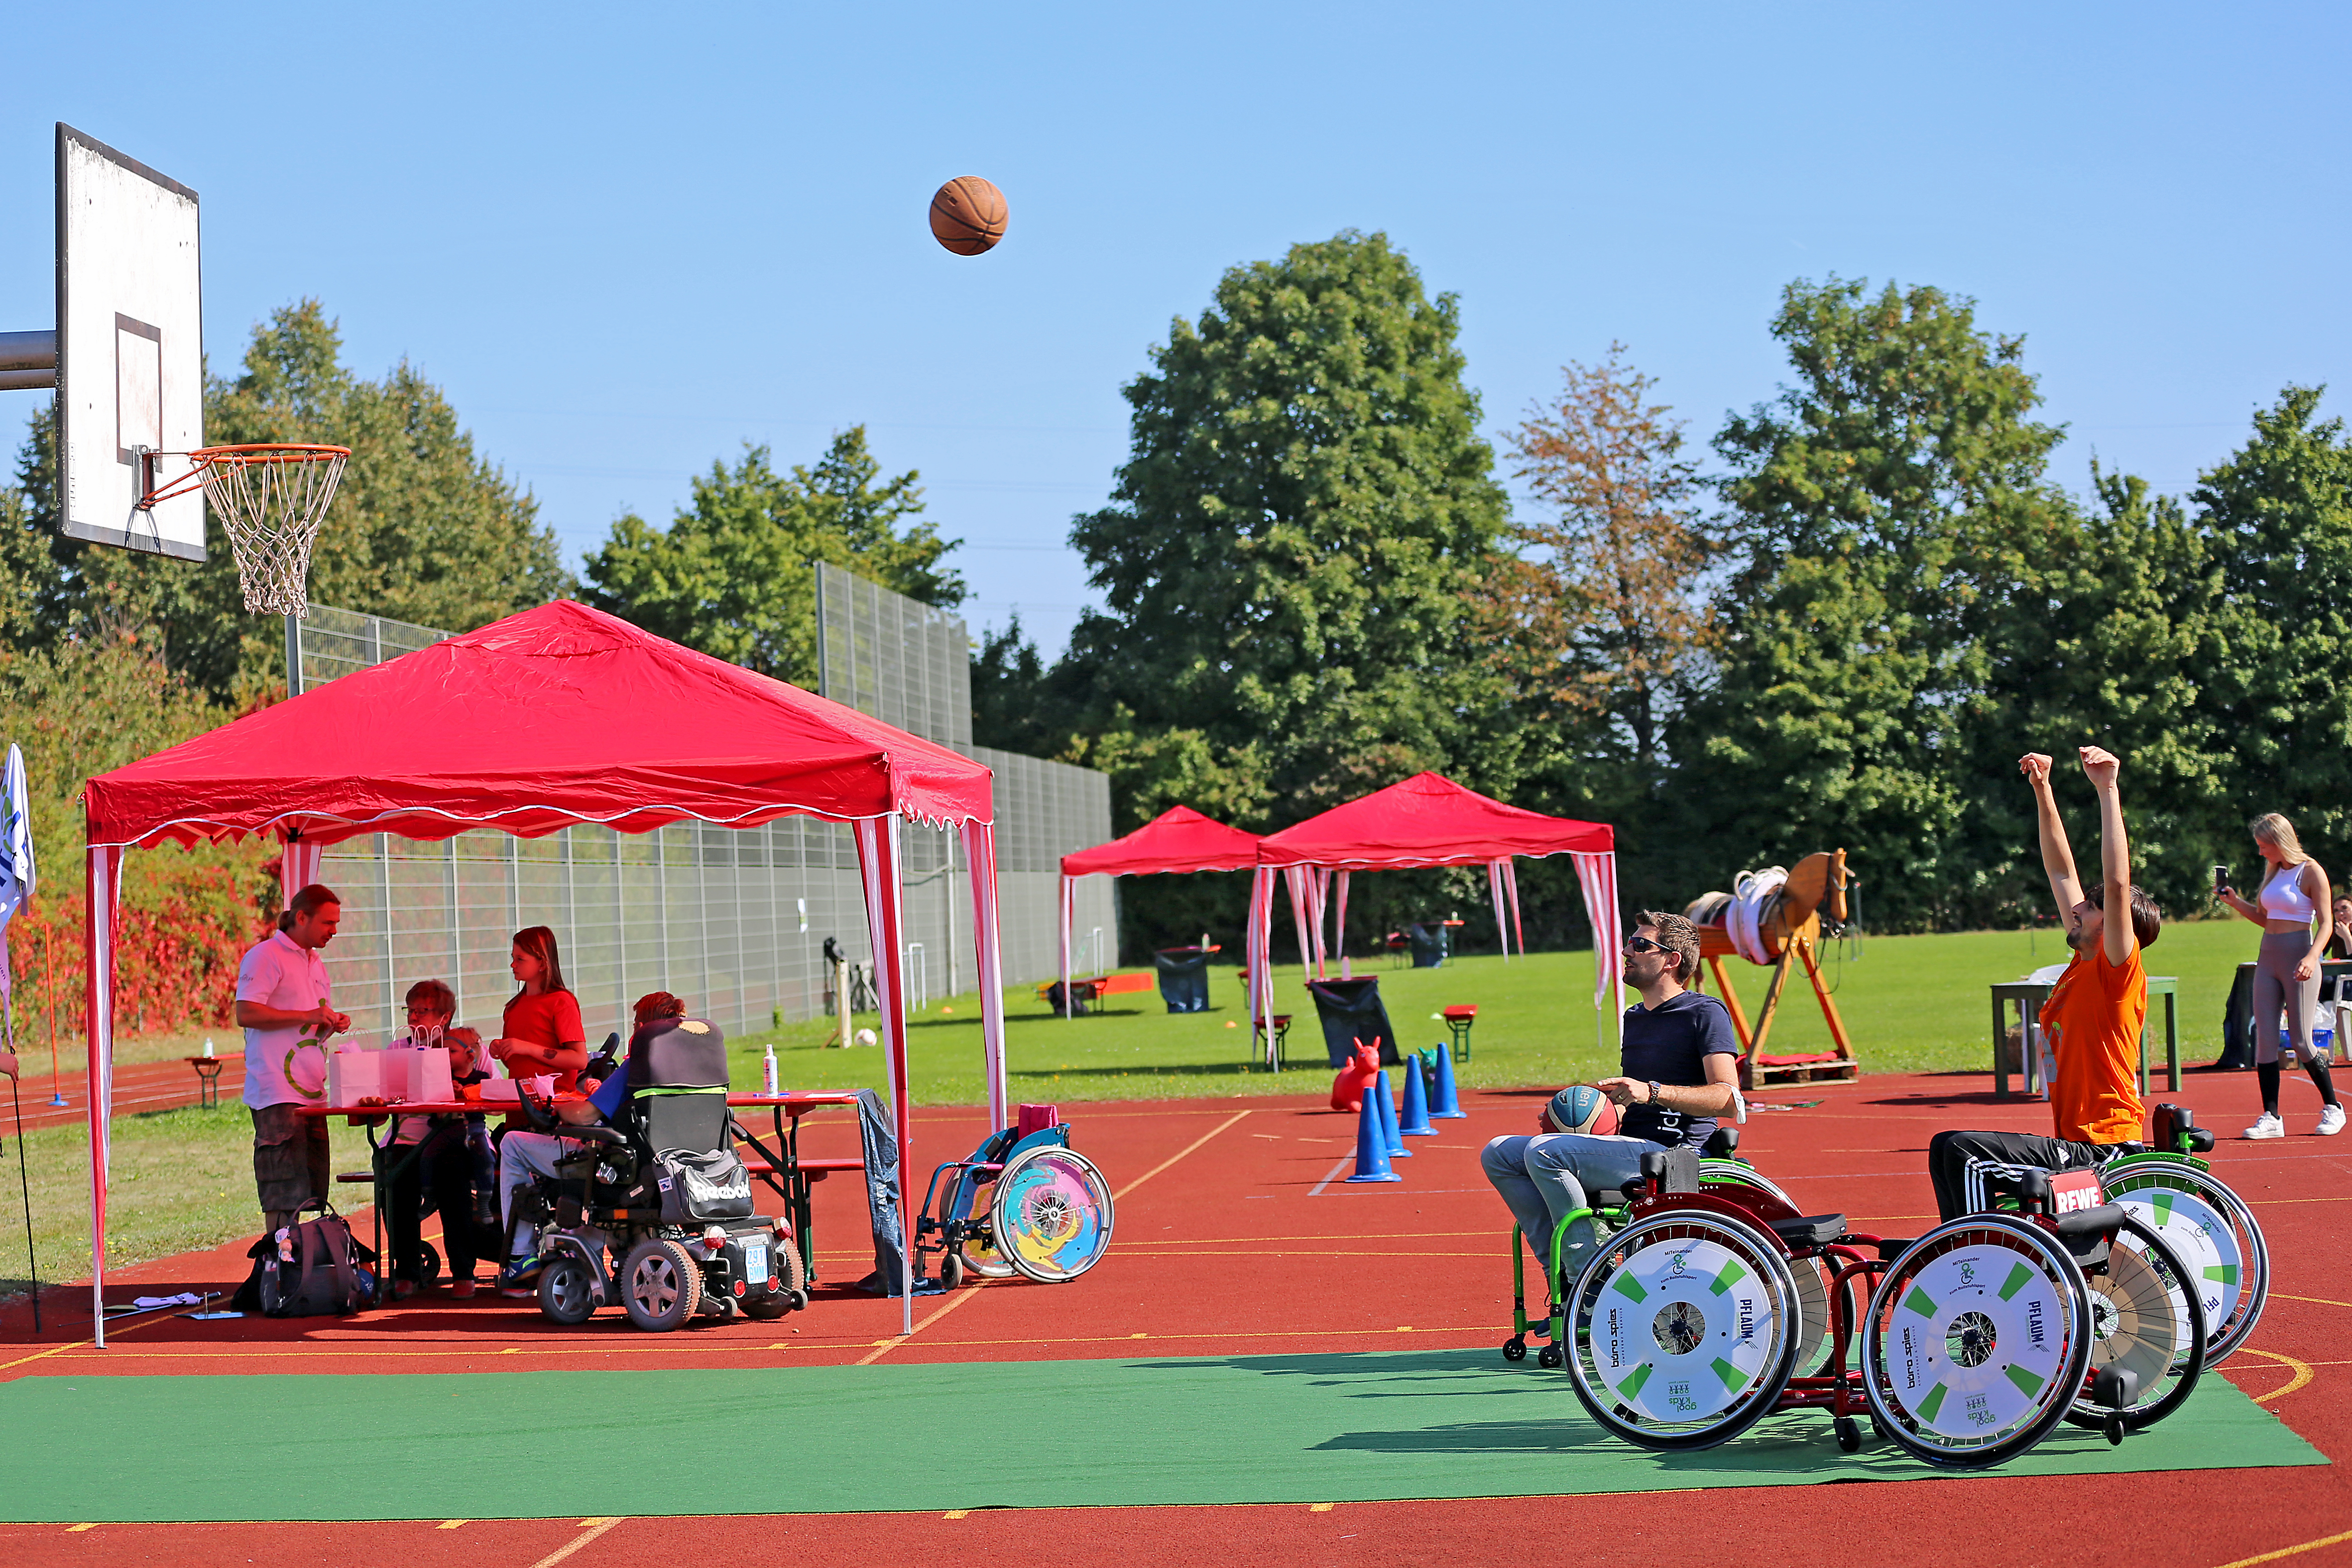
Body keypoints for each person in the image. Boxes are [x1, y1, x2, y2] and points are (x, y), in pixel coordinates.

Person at [1926, 748, 2158, 1221]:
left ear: (2112, 925)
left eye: (2088, 909)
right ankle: (1965, 1256)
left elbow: (2116, 885)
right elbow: (2060, 870)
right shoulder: (2081, 961)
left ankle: (1982, 1256)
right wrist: (2043, 789)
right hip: (2073, 1142)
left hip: (2105, 1150)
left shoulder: (2117, 971)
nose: (2075, 909)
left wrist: (2108, 788)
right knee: (1946, 1147)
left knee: (1964, 1154)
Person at [1480, 910, 1740, 1298]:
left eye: (1640, 945)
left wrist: (1652, 1091)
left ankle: (1592, 1283)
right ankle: (1565, 1275)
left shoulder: (1704, 1013)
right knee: (1499, 1152)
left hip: (1676, 1156)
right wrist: (1580, 1118)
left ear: (1672, 960)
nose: (1625, 952)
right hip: (1633, 1148)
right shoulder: (1635, 1018)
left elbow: (1729, 1099)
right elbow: (1625, 1106)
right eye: (1628, 943)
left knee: (1546, 1155)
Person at [492, 991, 687, 1296]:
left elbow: (584, 1116)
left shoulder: (638, 1064)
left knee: (513, 1143)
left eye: (637, 1024)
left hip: (617, 1162)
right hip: (673, 1166)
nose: (635, 1030)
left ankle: (520, 1255)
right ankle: (588, 1246)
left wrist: (556, 1105)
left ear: (645, 1028)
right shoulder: (693, 1068)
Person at [234, 884, 351, 1235]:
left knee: (312, 1193)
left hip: (312, 1091)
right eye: (328, 923)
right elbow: (247, 1012)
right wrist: (307, 1015)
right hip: (277, 1092)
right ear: (302, 917)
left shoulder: (315, 961)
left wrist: (330, 1023)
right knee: (284, 1191)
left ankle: (303, 1268)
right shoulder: (266, 955)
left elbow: (304, 1025)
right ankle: (279, 1266)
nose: (334, 931)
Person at [2218, 813, 2344, 1138]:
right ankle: (2271, 1116)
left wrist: (2312, 957)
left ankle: (2333, 1107)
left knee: (2302, 1040)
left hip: (2300, 958)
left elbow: (2327, 923)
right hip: (2268, 958)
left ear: (2280, 842)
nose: (2261, 853)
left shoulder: (2311, 871)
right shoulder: (2274, 872)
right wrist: (2236, 903)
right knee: (2265, 1040)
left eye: (2264, 846)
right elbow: (2266, 919)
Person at [379, 980, 494, 1298]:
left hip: (457, 1137)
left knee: (453, 1176)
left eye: (422, 1011)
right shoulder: (397, 1050)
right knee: (396, 1175)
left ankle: (463, 1271)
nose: (414, 1017)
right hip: (407, 1138)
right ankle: (406, 1272)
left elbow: (493, 1095)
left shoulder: (468, 1047)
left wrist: (466, 1093)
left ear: (444, 1018)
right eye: (410, 1010)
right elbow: (381, 1100)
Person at [490, 926, 587, 1092]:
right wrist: (502, 1049)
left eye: (521, 959)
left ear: (542, 963)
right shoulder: (514, 1006)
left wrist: (527, 1048)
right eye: (513, 958)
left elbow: (579, 1059)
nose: (513, 964)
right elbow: (516, 1062)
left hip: (552, 1110)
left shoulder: (561, 1002)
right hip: (519, 1105)